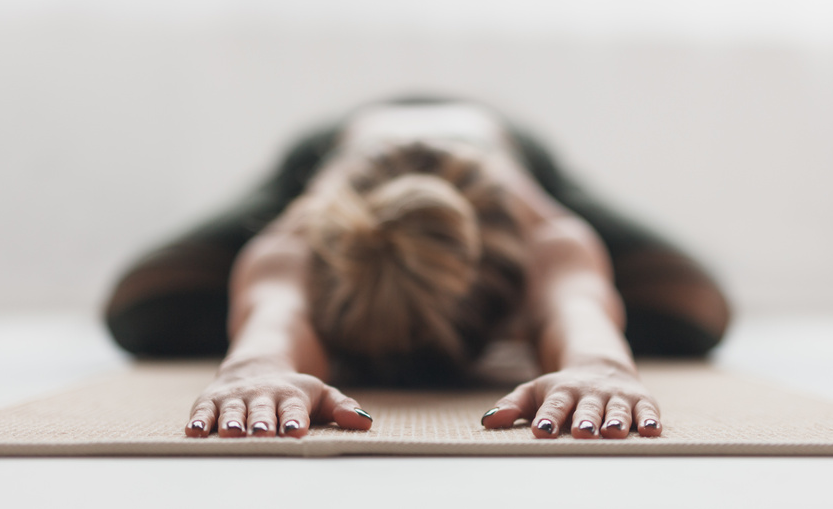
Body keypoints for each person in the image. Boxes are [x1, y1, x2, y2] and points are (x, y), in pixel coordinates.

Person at [104, 96, 730, 439]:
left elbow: (576, 300)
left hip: (505, 144)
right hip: (333, 148)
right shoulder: (299, 232)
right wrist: (255, 367)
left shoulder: (540, 229)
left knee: (694, 311)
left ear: (510, 302)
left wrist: (599, 367)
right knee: (141, 310)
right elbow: (276, 305)